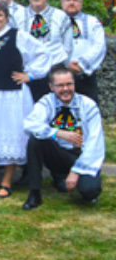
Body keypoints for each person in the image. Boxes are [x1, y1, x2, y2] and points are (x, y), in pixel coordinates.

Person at [0, 1, 50, 199]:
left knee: (10, 134)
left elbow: (43, 54)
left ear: (6, 17)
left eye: (0, 14)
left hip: (11, 95)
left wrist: (30, 75)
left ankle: (7, 181)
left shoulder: (18, 36)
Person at [22, 67, 104, 209]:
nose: (65, 89)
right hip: (58, 153)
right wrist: (58, 133)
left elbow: (94, 143)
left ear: (74, 84)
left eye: (69, 84)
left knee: (90, 191)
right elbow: (29, 124)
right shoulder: (46, 102)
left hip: (81, 155)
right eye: (60, 85)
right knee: (35, 140)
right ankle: (35, 194)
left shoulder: (88, 105)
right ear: (51, 87)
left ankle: (67, 180)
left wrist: (75, 171)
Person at [22, 0, 68, 102]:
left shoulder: (61, 16)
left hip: (54, 74)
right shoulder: (18, 16)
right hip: (28, 76)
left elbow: (69, 47)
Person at [61, 0, 106, 103]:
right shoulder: (54, 23)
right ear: (62, 2)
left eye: (75, 0)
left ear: (81, 3)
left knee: (88, 115)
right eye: (68, 0)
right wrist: (66, 63)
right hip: (60, 79)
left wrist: (81, 64)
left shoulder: (92, 22)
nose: (71, 3)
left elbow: (99, 46)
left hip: (85, 77)